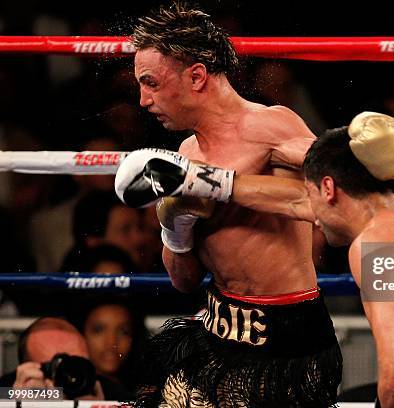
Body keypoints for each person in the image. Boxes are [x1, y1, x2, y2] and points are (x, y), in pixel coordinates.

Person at [118, 112, 394, 408]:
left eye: (311, 200)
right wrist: (199, 181)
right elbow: (289, 205)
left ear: (327, 188)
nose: (312, 219)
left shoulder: (376, 246)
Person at [117, 3, 341, 407]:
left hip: (286, 338)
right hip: (218, 327)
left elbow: (335, 198)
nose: (143, 100)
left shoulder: (270, 126)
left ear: (197, 76)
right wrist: (175, 227)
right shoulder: (185, 154)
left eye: (150, 82)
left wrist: (215, 184)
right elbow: (184, 282)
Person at [0, 317, 133, 401]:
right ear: (29, 371)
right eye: (56, 367)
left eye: (77, 365)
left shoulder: (110, 394)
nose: (70, 377)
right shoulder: (7, 393)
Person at [68, 297, 148, 396]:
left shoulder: (149, 392)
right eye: (99, 330)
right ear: (80, 334)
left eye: (124, 332)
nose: (111, 342)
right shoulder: (57, 390)